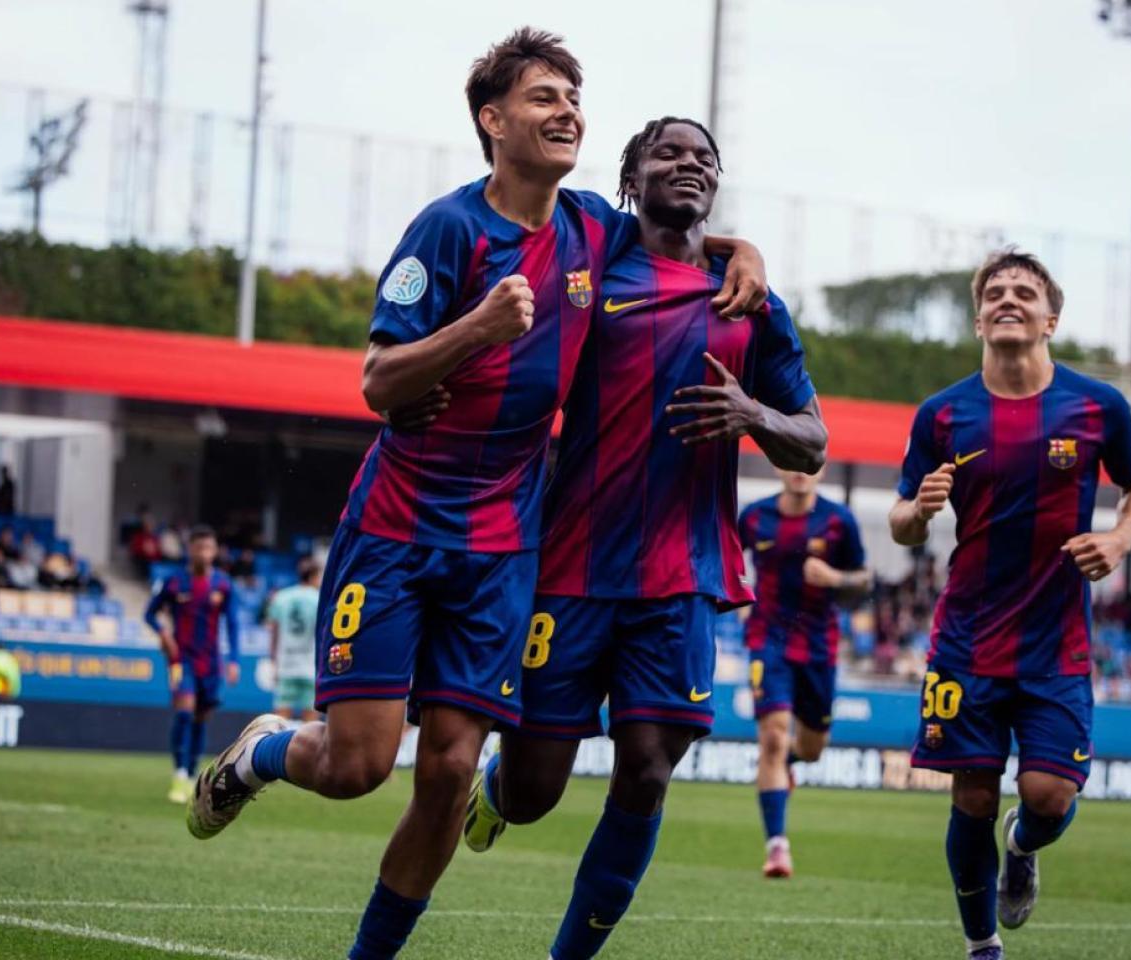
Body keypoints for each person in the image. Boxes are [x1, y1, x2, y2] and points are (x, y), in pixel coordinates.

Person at [186, 31, 768, 960]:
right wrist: (478, 326)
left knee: (454, 770)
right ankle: (263, 750)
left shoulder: (591, 229)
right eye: (543, 97)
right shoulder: (448, 230)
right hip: (399, 528)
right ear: (493, 123)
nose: (566, 110)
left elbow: (681, 225)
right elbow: (378, 381)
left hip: (503, 549)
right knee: (357, 768)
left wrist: (746, 252)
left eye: (574, 96)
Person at [460, 115, 824, 960]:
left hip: (681, 573)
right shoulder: (593, 246)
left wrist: (752, 414)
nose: (687, 165)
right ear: (633, 174)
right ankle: (499, 791)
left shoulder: (751, 302)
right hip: (571, 565)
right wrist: (745, 244)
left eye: (703, 159)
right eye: (668, 153)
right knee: (536, 792)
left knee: (649, 766)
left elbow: (812, 437)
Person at [889, 248, 1131, 960]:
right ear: (979, 316)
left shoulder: (1098, 405)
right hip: (966, 639)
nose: (1009, 299)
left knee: (1047, 797)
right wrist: (919, 509)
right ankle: (982, 947)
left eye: (1025, 292)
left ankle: (1023, 845)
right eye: (996, 292)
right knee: (970, 797)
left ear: (1051, 318)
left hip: (1056, 643)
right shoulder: (942, 414)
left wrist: (1120, 542)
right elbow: (900, 521)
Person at [737, 466, 869, 878]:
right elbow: (724, 559)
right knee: (773, 736)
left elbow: (864, 580)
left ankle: (788, 763)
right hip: (767, 640)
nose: (799, 471)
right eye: (790, 462)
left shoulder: (837, 519)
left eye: (808, 462)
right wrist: (739, 603)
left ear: (821, 467)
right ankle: (777, 847)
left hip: (818, 646)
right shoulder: (755, 517)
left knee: (812, 748)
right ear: (777, 465)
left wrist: (835, 577)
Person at [144, 526, 241, 804]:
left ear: (215, 551)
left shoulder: (223, 584)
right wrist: (163, 634)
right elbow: (149, 613)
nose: (204, 553)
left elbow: (232, 623)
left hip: (210, 662)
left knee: (200, 719)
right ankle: (180, 774)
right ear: (190, 550)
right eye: (199, 548)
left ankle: (194, 774)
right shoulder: (174, 582)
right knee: (184, 713)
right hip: (181, 659)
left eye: (209, 548)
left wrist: (233, 659)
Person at [266, 556, 323, 722]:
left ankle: (279, 748)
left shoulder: (281, 597)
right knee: (311, 722)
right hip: (310, 666)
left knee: (279, 721)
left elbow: (274, 632)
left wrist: (273, 660)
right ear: (314, 576)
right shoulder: (320, 598)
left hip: (286, 664)